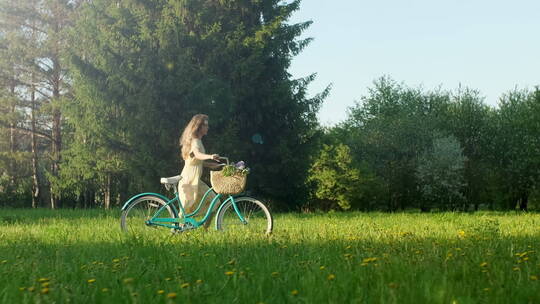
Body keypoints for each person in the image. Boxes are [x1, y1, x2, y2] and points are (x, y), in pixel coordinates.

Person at [178, 114, 220, 228]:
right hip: (189, 180)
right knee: (186, 208)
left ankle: (204, 229)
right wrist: (210, 156)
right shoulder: (195, 141)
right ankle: (177, 230)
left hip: (194, 180)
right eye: (205, 125)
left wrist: (209, 165)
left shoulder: (197, 140)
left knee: (215, 202)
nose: (208, 127)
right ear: (198, 126)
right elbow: (197, 154)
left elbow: (195, 160)